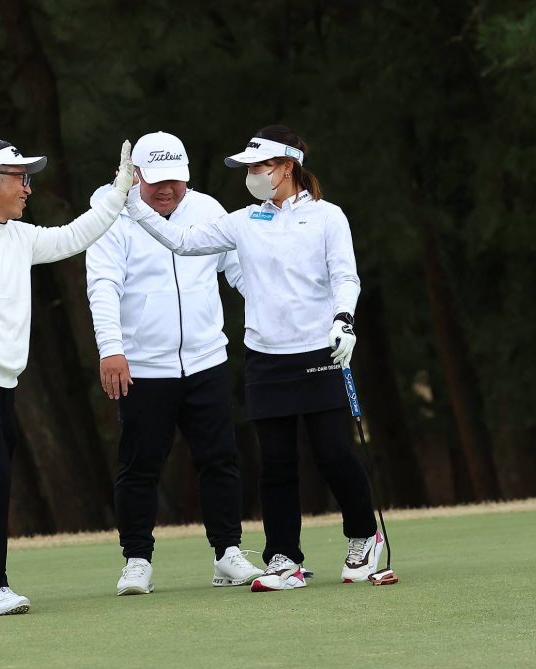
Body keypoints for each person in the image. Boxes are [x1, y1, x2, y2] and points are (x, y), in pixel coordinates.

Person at [123, 124, 384, 592]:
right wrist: (130, 202)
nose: (253, 175)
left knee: (333, 453)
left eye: (260, 166)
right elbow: (181, 240)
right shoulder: (243, 221)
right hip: (265, 356)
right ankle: (283, 557)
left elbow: (346, 276)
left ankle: (364, 535)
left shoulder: (327, 217)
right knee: (276, 462)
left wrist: (344, 319)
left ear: (287, 167)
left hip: (321, 348)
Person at [0, 139, 134, 616]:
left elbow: (74, 236)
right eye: (20, 178)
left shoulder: (19, 236)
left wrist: (119, 191)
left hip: (4, 379)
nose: (28, 188)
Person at [85, 131, 261, 596]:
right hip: (143, 366)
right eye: (157, 180)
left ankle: (227, 552)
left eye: (175, 180)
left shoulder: (206, 209)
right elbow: (103, 286)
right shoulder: (112, 216)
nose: (167, 190)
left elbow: (237, 270)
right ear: (136, 175)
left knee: (220, 459)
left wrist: (275, 307)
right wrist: (111, 349)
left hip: (206, 359)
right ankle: (137, 560)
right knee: (140, 466)